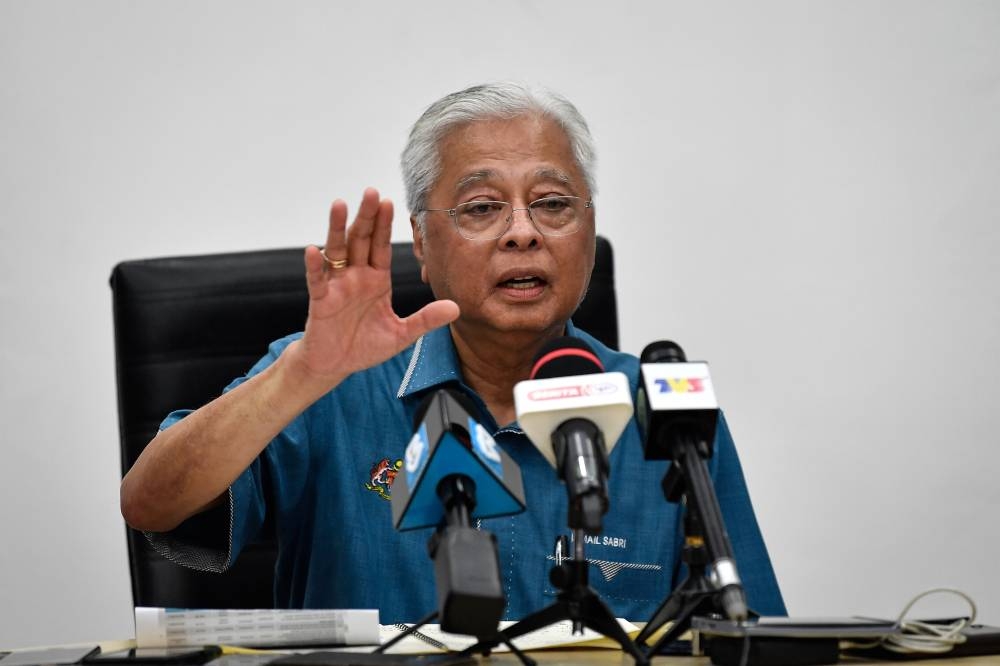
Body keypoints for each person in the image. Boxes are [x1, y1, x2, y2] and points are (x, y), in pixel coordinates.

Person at [120, 82, 786, 622]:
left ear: (590, 227)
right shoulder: (326, 383)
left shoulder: (662, 410)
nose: (522, 233)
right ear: (421, 240)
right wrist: (302, 374)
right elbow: (150, 504)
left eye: (553, 203)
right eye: (482, 208)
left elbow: (748, 631)